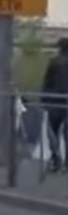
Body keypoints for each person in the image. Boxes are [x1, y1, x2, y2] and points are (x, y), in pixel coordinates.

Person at [41, 38, 68, 172]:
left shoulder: (54, 62)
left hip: (55, 102)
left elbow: (47, 82)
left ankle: (55, 159)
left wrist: (44, 100)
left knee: (52, 132)